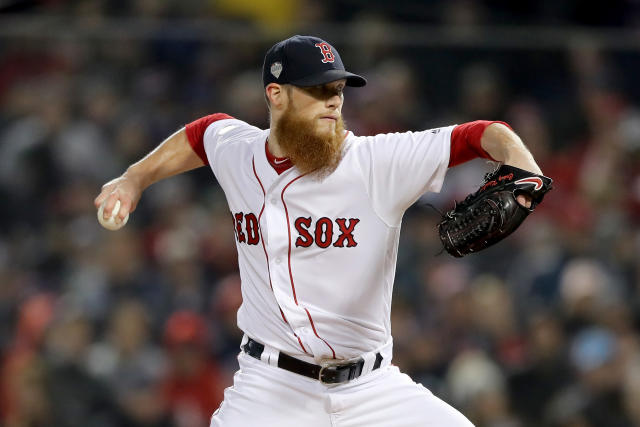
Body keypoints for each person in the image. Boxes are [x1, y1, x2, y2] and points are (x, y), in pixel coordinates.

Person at [95, 35, 543, 426]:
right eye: (318, 89)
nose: (334, 100)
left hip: (373, 390)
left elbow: (484, 133)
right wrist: (135, 177)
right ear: (276, 94)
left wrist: (525, 168)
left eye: (338, 89)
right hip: (271, 388)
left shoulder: (374, 163)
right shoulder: (238, 151)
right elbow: (201, 135)